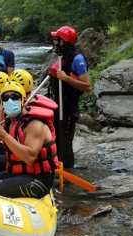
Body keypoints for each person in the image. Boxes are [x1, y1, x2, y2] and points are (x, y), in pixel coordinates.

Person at [0, 81, 59, 198]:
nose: (10, 101)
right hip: (17, 174)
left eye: (14, 97)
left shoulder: (35, 125)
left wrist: (5, 136)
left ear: (23, 100)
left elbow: (29, 158)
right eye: (5, 98)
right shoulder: (7, 123)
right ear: (2, 104)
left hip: (40, 179)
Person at [49, 26, 91, 169]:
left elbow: (87, 86)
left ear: (64, 42)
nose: (55, 43)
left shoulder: (77, 59)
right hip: (58, 104)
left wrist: (66, 78)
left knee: (65, 141)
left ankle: (68, 174)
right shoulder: (63, 58)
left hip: (69, 105)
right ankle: (57, 169)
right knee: (56, 137)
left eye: (57, 40)